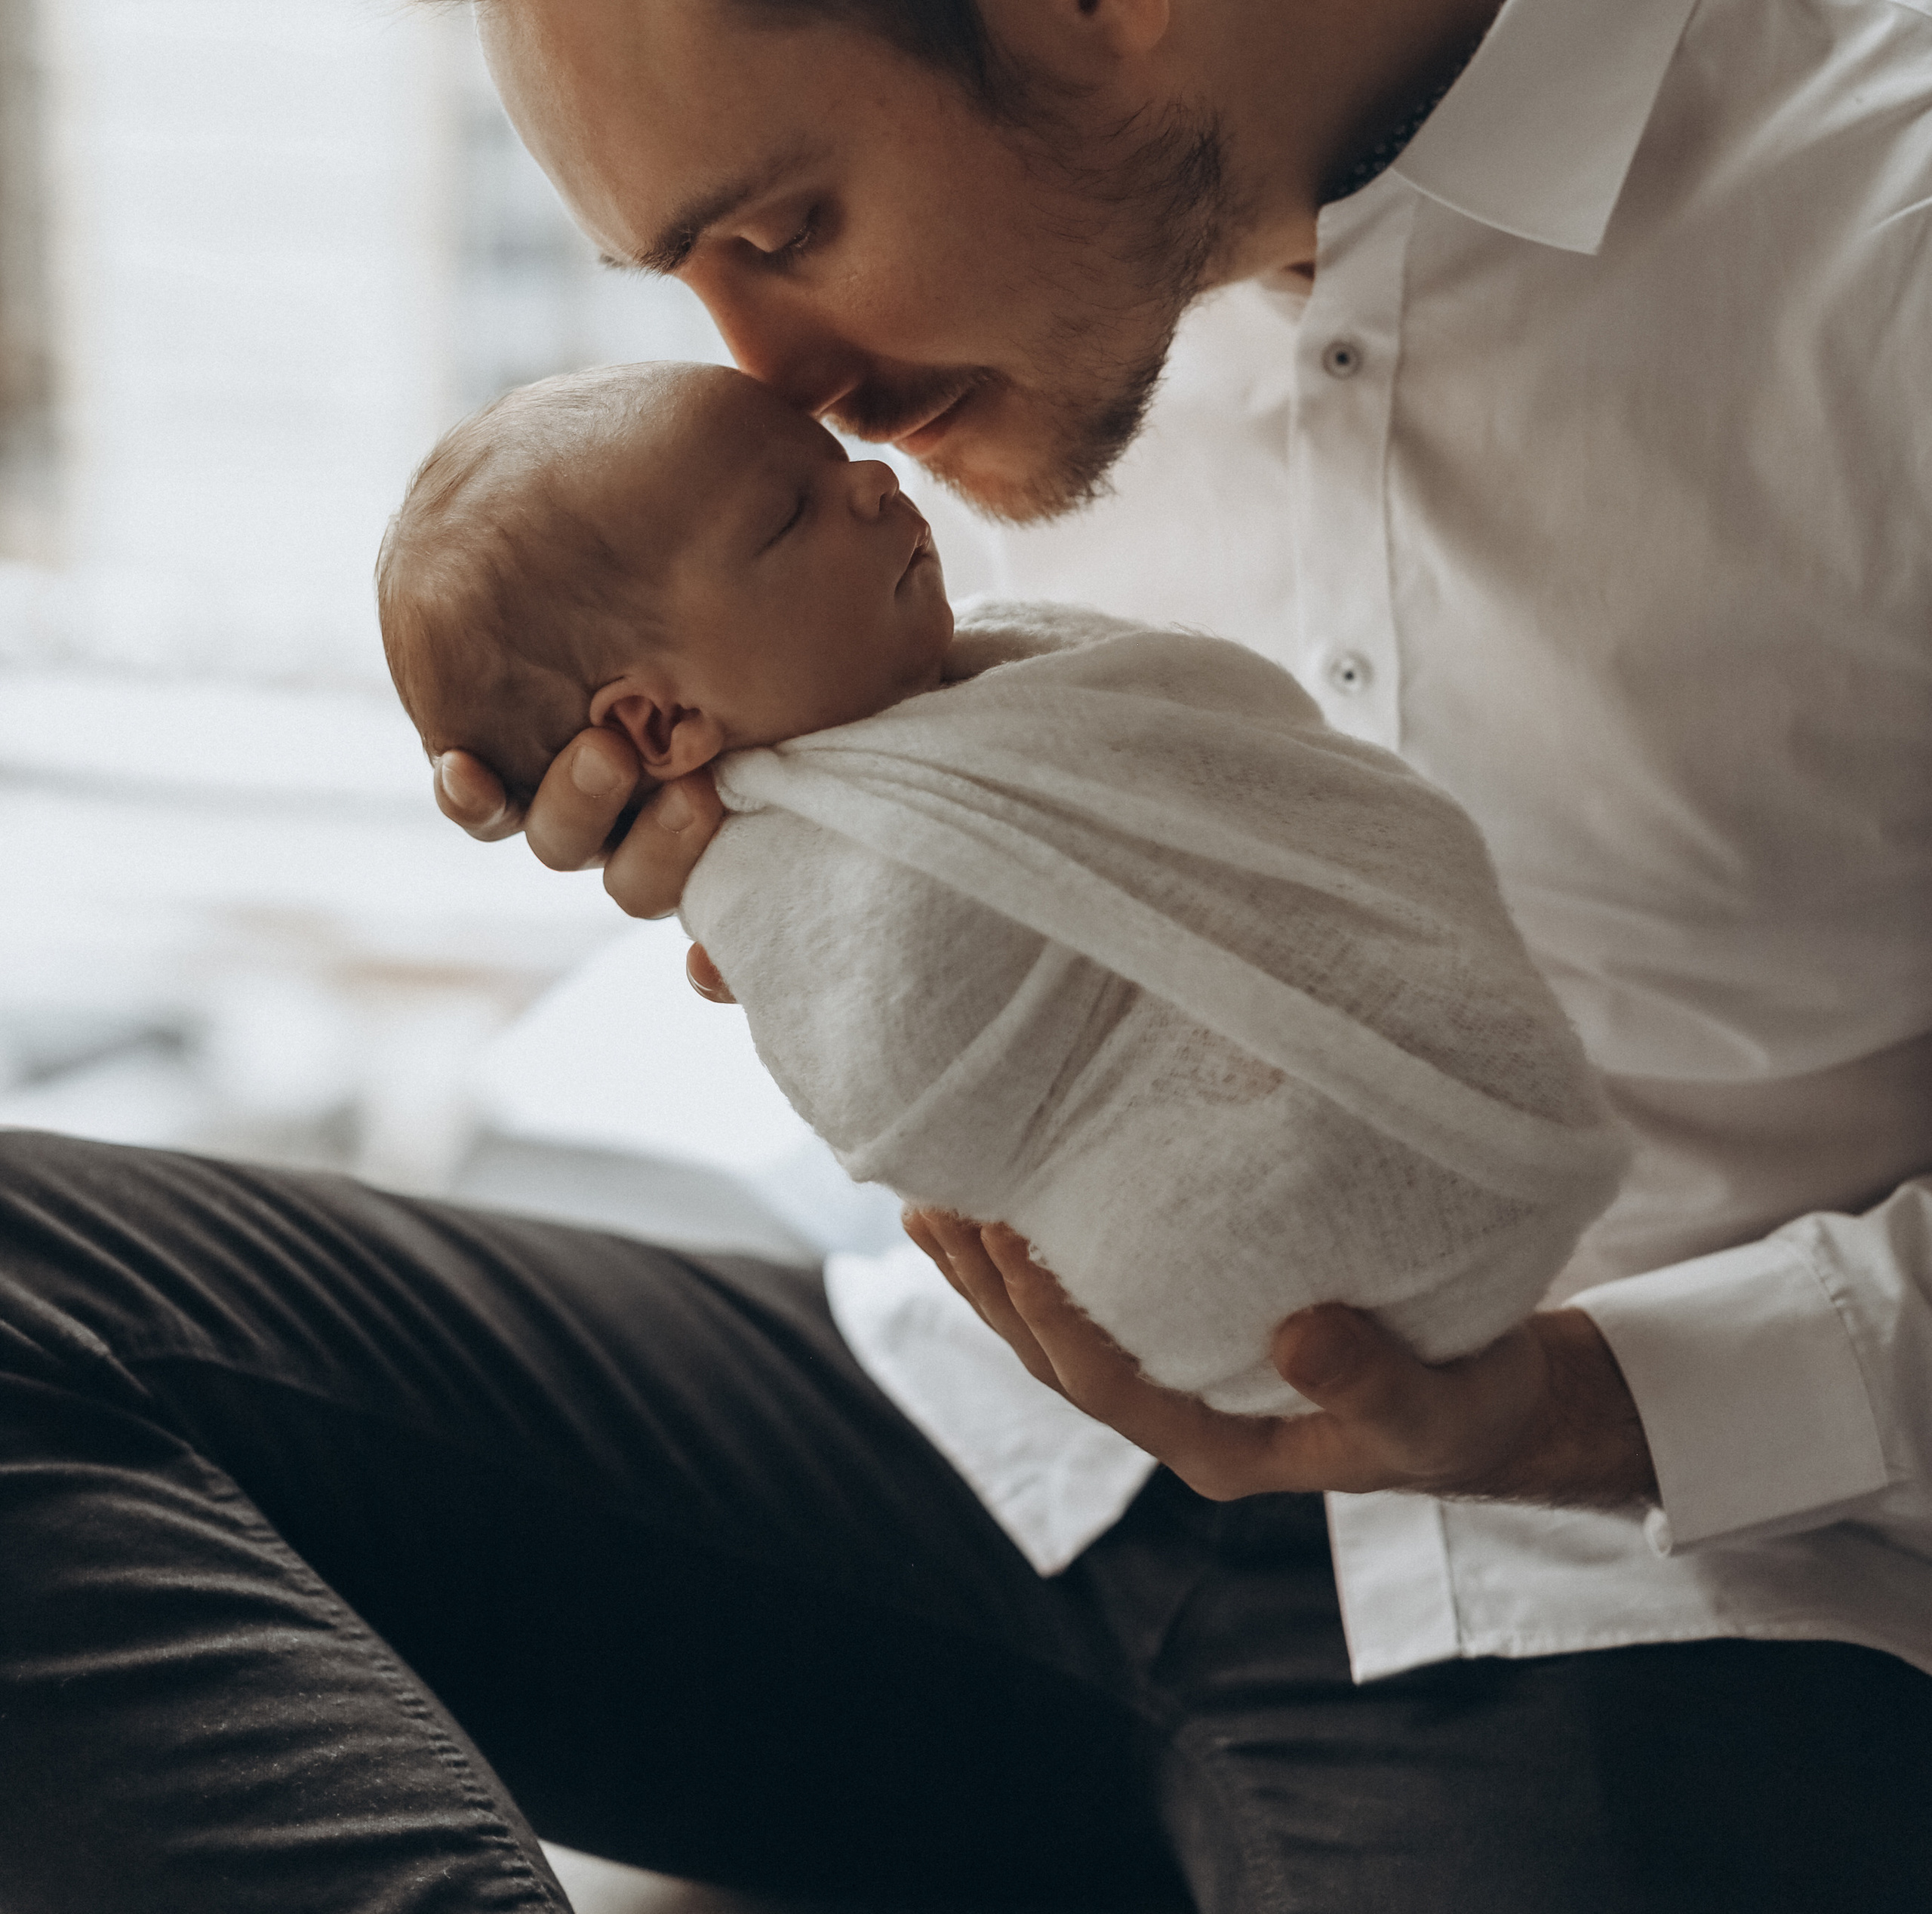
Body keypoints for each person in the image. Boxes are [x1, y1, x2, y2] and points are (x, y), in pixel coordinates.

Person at [2, 0, 1927, 1911]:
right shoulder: (953, 357)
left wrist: (1580, 1402)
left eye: (779, 227)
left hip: (1656, 1584)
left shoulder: (1890, 241)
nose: (768, 378)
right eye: (680, 271)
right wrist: (761, 852)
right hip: (978, 1453)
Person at [377, 357, 1623, 1416]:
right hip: (1229, 1249)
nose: (872, 480)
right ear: (656, 723)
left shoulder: (999, 657)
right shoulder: (776, 870)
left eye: (834, 464)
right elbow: (904, 1085)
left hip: (1508, 1229)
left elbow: (1244, 759)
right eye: (788, 517)